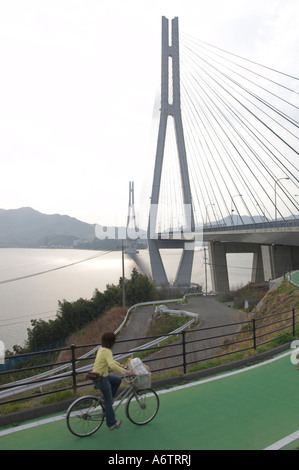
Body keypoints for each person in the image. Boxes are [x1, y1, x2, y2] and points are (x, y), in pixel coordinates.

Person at [92, 331, 133, 431]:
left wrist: (120, 364)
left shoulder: (101, 349)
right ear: (111, 342)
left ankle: (107, 402)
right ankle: (111, 423)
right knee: (109, 401)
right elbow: (111, 365)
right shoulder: (107, 351)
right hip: (101, 378)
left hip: (96, 375)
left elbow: (111, 361)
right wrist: (125, 371)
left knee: (117, 380)